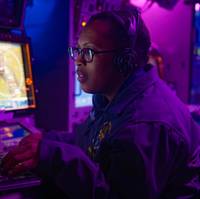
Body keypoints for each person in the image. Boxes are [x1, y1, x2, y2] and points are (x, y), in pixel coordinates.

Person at [1, 8, 200, 199]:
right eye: (78, 50)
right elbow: (91, 143)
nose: (78, 60)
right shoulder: (117, 97)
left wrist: (52, 156)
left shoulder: (144, 125)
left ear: (124, 60)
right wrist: (45, 141)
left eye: (88, 52)